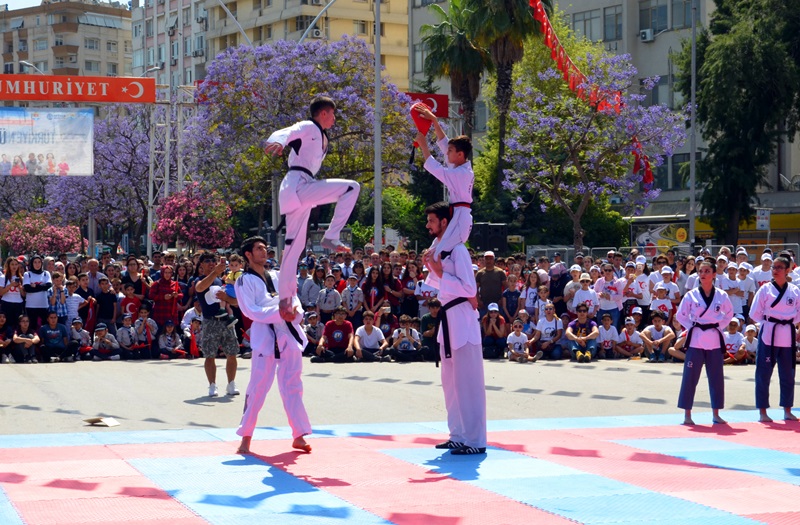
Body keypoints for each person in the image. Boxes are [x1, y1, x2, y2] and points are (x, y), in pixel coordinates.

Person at [264, 96, 361, 318]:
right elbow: (288, 131)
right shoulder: (309, 126)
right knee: (351, 188)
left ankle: (285, 298)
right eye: (333, 114)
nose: (335, 120)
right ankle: (331, 235)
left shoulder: (322, 136)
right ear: (324, 113)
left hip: (302, 187)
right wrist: (278, 141)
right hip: (298, 183)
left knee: (293, 248)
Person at [234, 236, 312, 454]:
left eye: (265, 248)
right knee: (257, 388)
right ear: (248, 255)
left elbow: (292, 297)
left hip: (288, 335)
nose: (264, 251)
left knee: (293, 385)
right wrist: (279, 311)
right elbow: (250, 310)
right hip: (265, 338)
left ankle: (298, 435)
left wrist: (294, 311)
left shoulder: (278, 276)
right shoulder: (244, 280)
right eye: (259, 248)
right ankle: (246, 439)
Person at [423, 201, 486, 455]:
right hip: (448, 322)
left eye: (431, 221)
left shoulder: (458, 250)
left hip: (462, 321)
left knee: (468, 384)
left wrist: (438, 270)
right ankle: (458, 435)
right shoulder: (440, 247)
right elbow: (440, 284)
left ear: (444, 223)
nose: (427, 225)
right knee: (450, 384)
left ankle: (475, 440)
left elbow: (470, 290)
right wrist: (432, 266)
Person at [675, 259, 733, 425]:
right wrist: (693, 326)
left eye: (707, 271)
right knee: (690, 378)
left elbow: (729, 314)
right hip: (696, 340)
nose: (703, 274)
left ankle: (716, 413)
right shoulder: (691, 295)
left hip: (714, 340)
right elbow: (680, 316)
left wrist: (717, 326)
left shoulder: (721, 295)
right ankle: (687, 414)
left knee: (716, 378)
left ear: (714, 274)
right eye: (701, 271)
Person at [414, 105, 474, 261]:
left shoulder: (461, 174)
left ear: (460, 154)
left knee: (437, 254)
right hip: (456, 213)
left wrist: (424, 146)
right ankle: (434, 285)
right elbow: (444, 142)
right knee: (431, 252)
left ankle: (450, 283)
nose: (446, 153)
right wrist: (434, 120)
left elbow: (437, 169)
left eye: (450, 151)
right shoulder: (460, 166)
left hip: (460, 218)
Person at [749, 255, 800, 422]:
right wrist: (768, 322)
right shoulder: (765, 289)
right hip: (768, 334)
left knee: (788, 374)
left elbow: (798, 313)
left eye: (779, 267)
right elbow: (754, 313)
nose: (775, 270)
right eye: (774, 267)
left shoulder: (794, 290)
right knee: (763, 374)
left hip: (787, 335)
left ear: (787, 271)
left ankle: (787, 409)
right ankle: (763, 411)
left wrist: (790, 322)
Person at [193, 253, 241, 397]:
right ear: (200, 265)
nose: (211, 263)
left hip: (226, 321)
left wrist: (227, 298)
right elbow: (200, 288)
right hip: (210, 321)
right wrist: (215, 273)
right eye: (207, 261)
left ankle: (231, 383)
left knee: (232, 353)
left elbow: (235, 302)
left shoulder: (222, 281)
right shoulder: (200, 279)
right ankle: (212, 385)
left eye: (213, 261)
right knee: (210, 355)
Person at [23, 254, 52, 330]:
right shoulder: (27, 274)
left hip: (43, 305)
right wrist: (42, 286)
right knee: (32, 326)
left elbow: (48, 286)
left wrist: (35, 286)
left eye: (39, 262)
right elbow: (27, 289)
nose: (37, 264)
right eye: (35, 262)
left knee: (44, 326)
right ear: (32, 263)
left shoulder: (46, 273)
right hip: (31, 306)